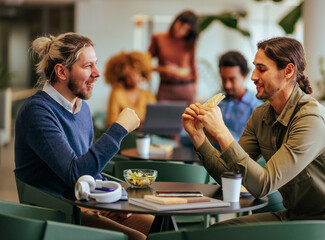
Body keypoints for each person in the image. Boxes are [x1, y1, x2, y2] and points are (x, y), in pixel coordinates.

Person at [182, 37, 325, 239]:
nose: (253, 77)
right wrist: (198, 136)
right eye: (254, 68)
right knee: (216, 234)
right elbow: (229, 175)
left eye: (261, 69)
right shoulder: (261, 115)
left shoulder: (311, 119)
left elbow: (263, 185)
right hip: (295, 218)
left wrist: (222, 132)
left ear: (288, 71)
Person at [14, 32, 153, 240]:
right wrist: (119, 128)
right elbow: (76, 173)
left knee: (162, 228)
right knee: (137, 238)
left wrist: (115, 198)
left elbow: (90, 171)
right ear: (61, 71)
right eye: (88, 66)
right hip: (57, 211)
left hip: (84, 202)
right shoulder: (37, 112)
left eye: (95, 64)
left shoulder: (82, 109)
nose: (97, 73)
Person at [148, 10, 199, 104]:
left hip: (187, 88)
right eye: (180, 26)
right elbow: (145, 64)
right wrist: (163, 69)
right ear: (175, 21)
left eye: (186, 30)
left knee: (190, 117)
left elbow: (193, 65)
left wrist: (195, 86)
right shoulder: (159, 38)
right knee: (163, 117)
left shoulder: (189, 42)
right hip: (166, 89)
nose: (181, 31)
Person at [217, 51, 263, 142]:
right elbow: (185, 137)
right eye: (223, 79)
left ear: (244, 76)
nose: (227, 85)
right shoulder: (215, 104)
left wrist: (218, 135)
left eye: (232, 79)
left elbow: (254, 148)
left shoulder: (258, 110)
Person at [105, 51, 156, 128]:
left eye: (139, 73)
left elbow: (154, 118)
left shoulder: (147, 94)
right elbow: (111, 122)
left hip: (146, 134)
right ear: (123, 75)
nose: (136, 77)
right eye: (132, 74)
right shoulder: (117, 94)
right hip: (125, 136)